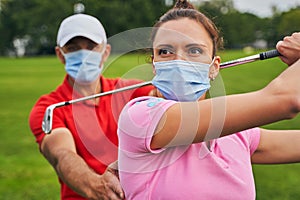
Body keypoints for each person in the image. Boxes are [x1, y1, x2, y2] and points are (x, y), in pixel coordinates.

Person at [117, 0, 300, 199]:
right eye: (165, 51)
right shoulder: (140, 117)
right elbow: (285, 100)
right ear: (154, 65)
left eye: (194, 50)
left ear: (214, 67)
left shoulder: (239, 135)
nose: (179, 60)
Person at [29, 13, 154, 200]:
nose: (83, 54)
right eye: (73, 48)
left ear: (105, 51)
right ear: (60, 55)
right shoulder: (49, 107)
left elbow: (176, 108)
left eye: (91, 47)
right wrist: (98, 187)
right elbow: (62, 154)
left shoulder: (133, 91)